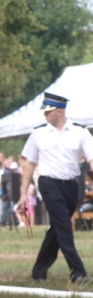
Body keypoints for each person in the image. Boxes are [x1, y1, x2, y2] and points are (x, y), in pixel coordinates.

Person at [18, 92, 93, 283]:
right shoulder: (38, 133)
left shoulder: (81, 132)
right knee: (64, 226)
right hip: (49, 183)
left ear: (58, 111)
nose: (44, 115)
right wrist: (23, 193)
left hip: (71, 186)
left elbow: (92, 159)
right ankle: (78, 272)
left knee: (57, 228)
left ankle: (39, 270)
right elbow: (29, 164)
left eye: (47, 112)